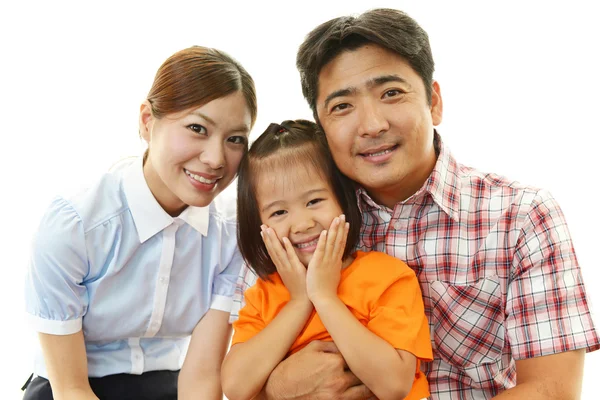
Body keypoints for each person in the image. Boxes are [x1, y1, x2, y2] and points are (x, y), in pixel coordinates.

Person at [231, 8, 600, 400]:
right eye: (342, 106)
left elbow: (551, 390)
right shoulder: (297, 226)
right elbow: (241, 377)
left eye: (391, 93)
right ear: (321, 130)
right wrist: (277, 389)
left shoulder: (521, 215)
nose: (372, 125)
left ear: (434, 101)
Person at [23, 45, 257, 400]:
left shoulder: (231, 235)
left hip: (172, 385)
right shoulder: (74, 227)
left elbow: (203, 376)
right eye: (197, 128)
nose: (215, 159)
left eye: (235, 139)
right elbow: (70, 388)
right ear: (148, 120)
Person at [221, 119, 432, 400]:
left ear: (343, 199)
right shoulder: (262, 295)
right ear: (258, 225)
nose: (302, 224)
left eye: (314, 202)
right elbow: (235, 388)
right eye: (279, 212)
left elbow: (394, 385)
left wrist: (324, 296)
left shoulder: (389, 277)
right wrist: (299, 301)